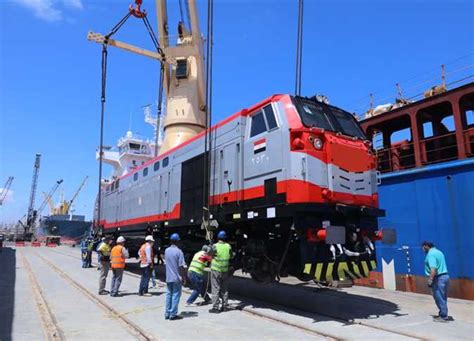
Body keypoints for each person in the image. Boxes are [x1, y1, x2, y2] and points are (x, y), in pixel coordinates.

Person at [422, 241, 451, 322]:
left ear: (426, 246)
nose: (423, 250)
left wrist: (430, 280)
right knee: (443, 297)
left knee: (439, 297)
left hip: (438, 278)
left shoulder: (431, 254)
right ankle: (442, 313)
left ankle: (443, 316)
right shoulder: (439, 252)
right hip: (445, 277)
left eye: (423, 248)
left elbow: (433, 269)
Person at [164, 233, 187, 320]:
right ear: (178, 241)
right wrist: (184, 277)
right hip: (176, 278)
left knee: (169, 295)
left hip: (168, 277)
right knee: (176, 295)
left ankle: (167, 313)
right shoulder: (179, 252)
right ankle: (173, 314)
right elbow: (181, 266)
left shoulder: (166, 251)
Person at [209, 231, 233, 313]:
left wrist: (210, 247)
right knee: (224, 289)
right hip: (225, 270)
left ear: (218, 238)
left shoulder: (215, 246)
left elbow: (210, 255)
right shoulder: (228, 246)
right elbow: (231, 255)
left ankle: (215, 308)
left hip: (216, 270)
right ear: (225, 238)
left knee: (216, 288)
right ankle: (225, 306)